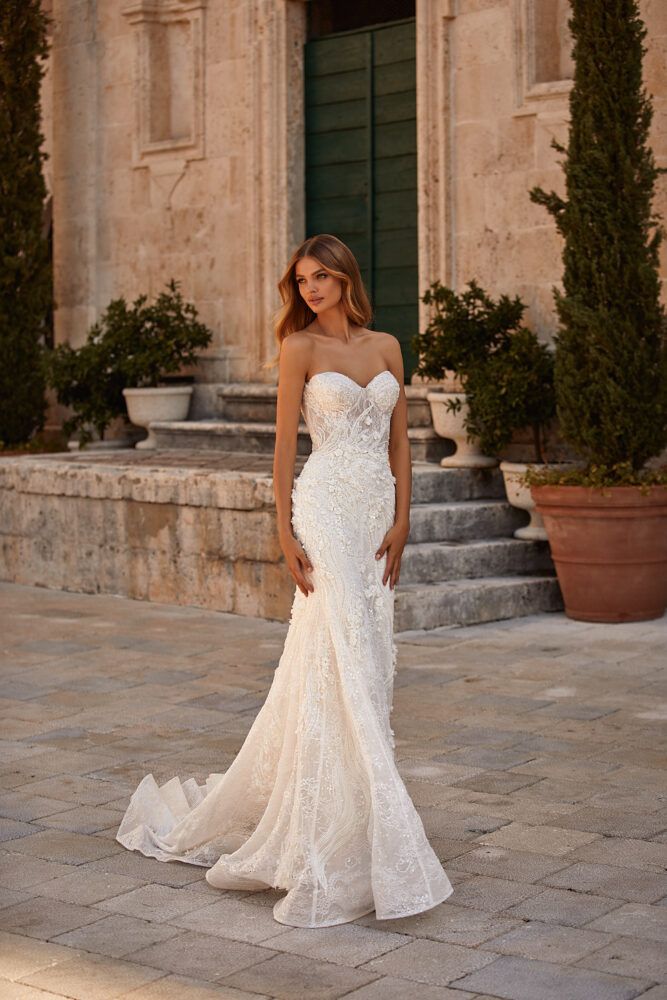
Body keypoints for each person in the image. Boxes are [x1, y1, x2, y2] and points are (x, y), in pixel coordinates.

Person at [115, 234, 453, 927]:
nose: (311, 291)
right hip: (324, 507)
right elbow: (281, 445)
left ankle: (350, 808)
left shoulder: (387, 346)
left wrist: (403, 520)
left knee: (365, 657)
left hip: (373, 510)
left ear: (345, 279)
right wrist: (283, 531)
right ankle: (346, 829)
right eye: (302, 281)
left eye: (322, 278)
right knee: (341, 649)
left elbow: (399, 442)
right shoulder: (299, 350)